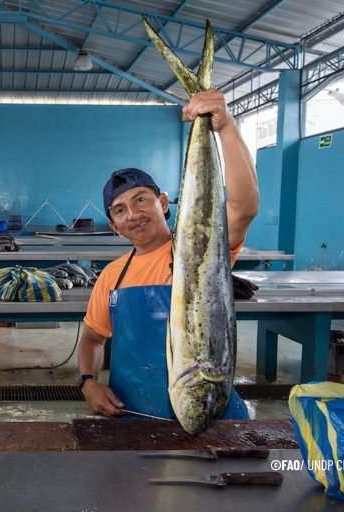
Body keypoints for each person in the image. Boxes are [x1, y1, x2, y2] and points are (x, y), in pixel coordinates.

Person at [77, 89, 259, 420]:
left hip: (208, 414)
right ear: (114, 225)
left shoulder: (199, 252)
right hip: (135, 420)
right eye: (120, 210)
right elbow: (91, 340)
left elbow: (243, 207)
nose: (133, 213)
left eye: (141, 199)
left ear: (163, 202)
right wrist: (88, 381)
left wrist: (227, 128)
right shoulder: (111, 276)